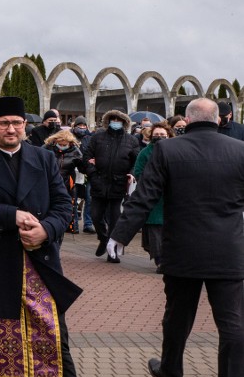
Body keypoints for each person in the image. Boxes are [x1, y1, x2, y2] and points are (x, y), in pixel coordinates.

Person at [109, 98, 244, 377]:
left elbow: (145, 196)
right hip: (229, 250)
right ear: (219, 119)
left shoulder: (167, 149)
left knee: (177, 316)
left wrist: (120, 234)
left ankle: (171, 370)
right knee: (233, 322)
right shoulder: (240, 151)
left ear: (187, 120)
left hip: (183, 249)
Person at [0, 96, 81, 377]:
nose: (11, 129)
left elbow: (63, 206)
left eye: (16, 123)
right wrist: (11, 215)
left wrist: (46, 230)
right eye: (3, 123)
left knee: (53, 347)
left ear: (25, 125)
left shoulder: (44, 158)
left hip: (40, 266)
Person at [82, 108, 139, 262]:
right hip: (99, 182)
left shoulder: (131, 140)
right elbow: (87, 156)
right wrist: (93, 173)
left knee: (115, 217)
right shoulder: (98, 137)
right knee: (95, 215)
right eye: (113, 120)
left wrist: (131, 173)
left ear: (124, 123)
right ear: (108, 121)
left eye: (118, 120)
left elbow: (136, 161)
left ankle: (112, 250)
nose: (115, 123)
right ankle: (103, 237)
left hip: (118, 184)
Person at [128, 121, 173, 273]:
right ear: (151, 136)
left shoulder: (174, 151)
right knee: (154, 230)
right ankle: (160, 259)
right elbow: (139, 172)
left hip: (170, 197)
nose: (159, 137)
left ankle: (167, 258)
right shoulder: (145, 153)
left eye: (163, 135)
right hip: (152, 196)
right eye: (157, 135)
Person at [43, 129, 83, 234]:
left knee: (69, 204)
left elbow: (83, 166)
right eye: (60, 144)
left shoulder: (75, 151)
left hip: (67, 181)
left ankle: (71, 226)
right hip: (49, 181)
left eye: (64, 144)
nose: (62, 146)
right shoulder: (47, 149)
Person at [71, 116, 95, 233]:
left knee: (89, 198)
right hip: (74, 172)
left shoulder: (90, 138)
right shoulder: (70, 137)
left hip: (88, 172)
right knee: (74, 199)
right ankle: (73, 223)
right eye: (79, 126)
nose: (81, 128)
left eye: (83, 126)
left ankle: (88, 223)